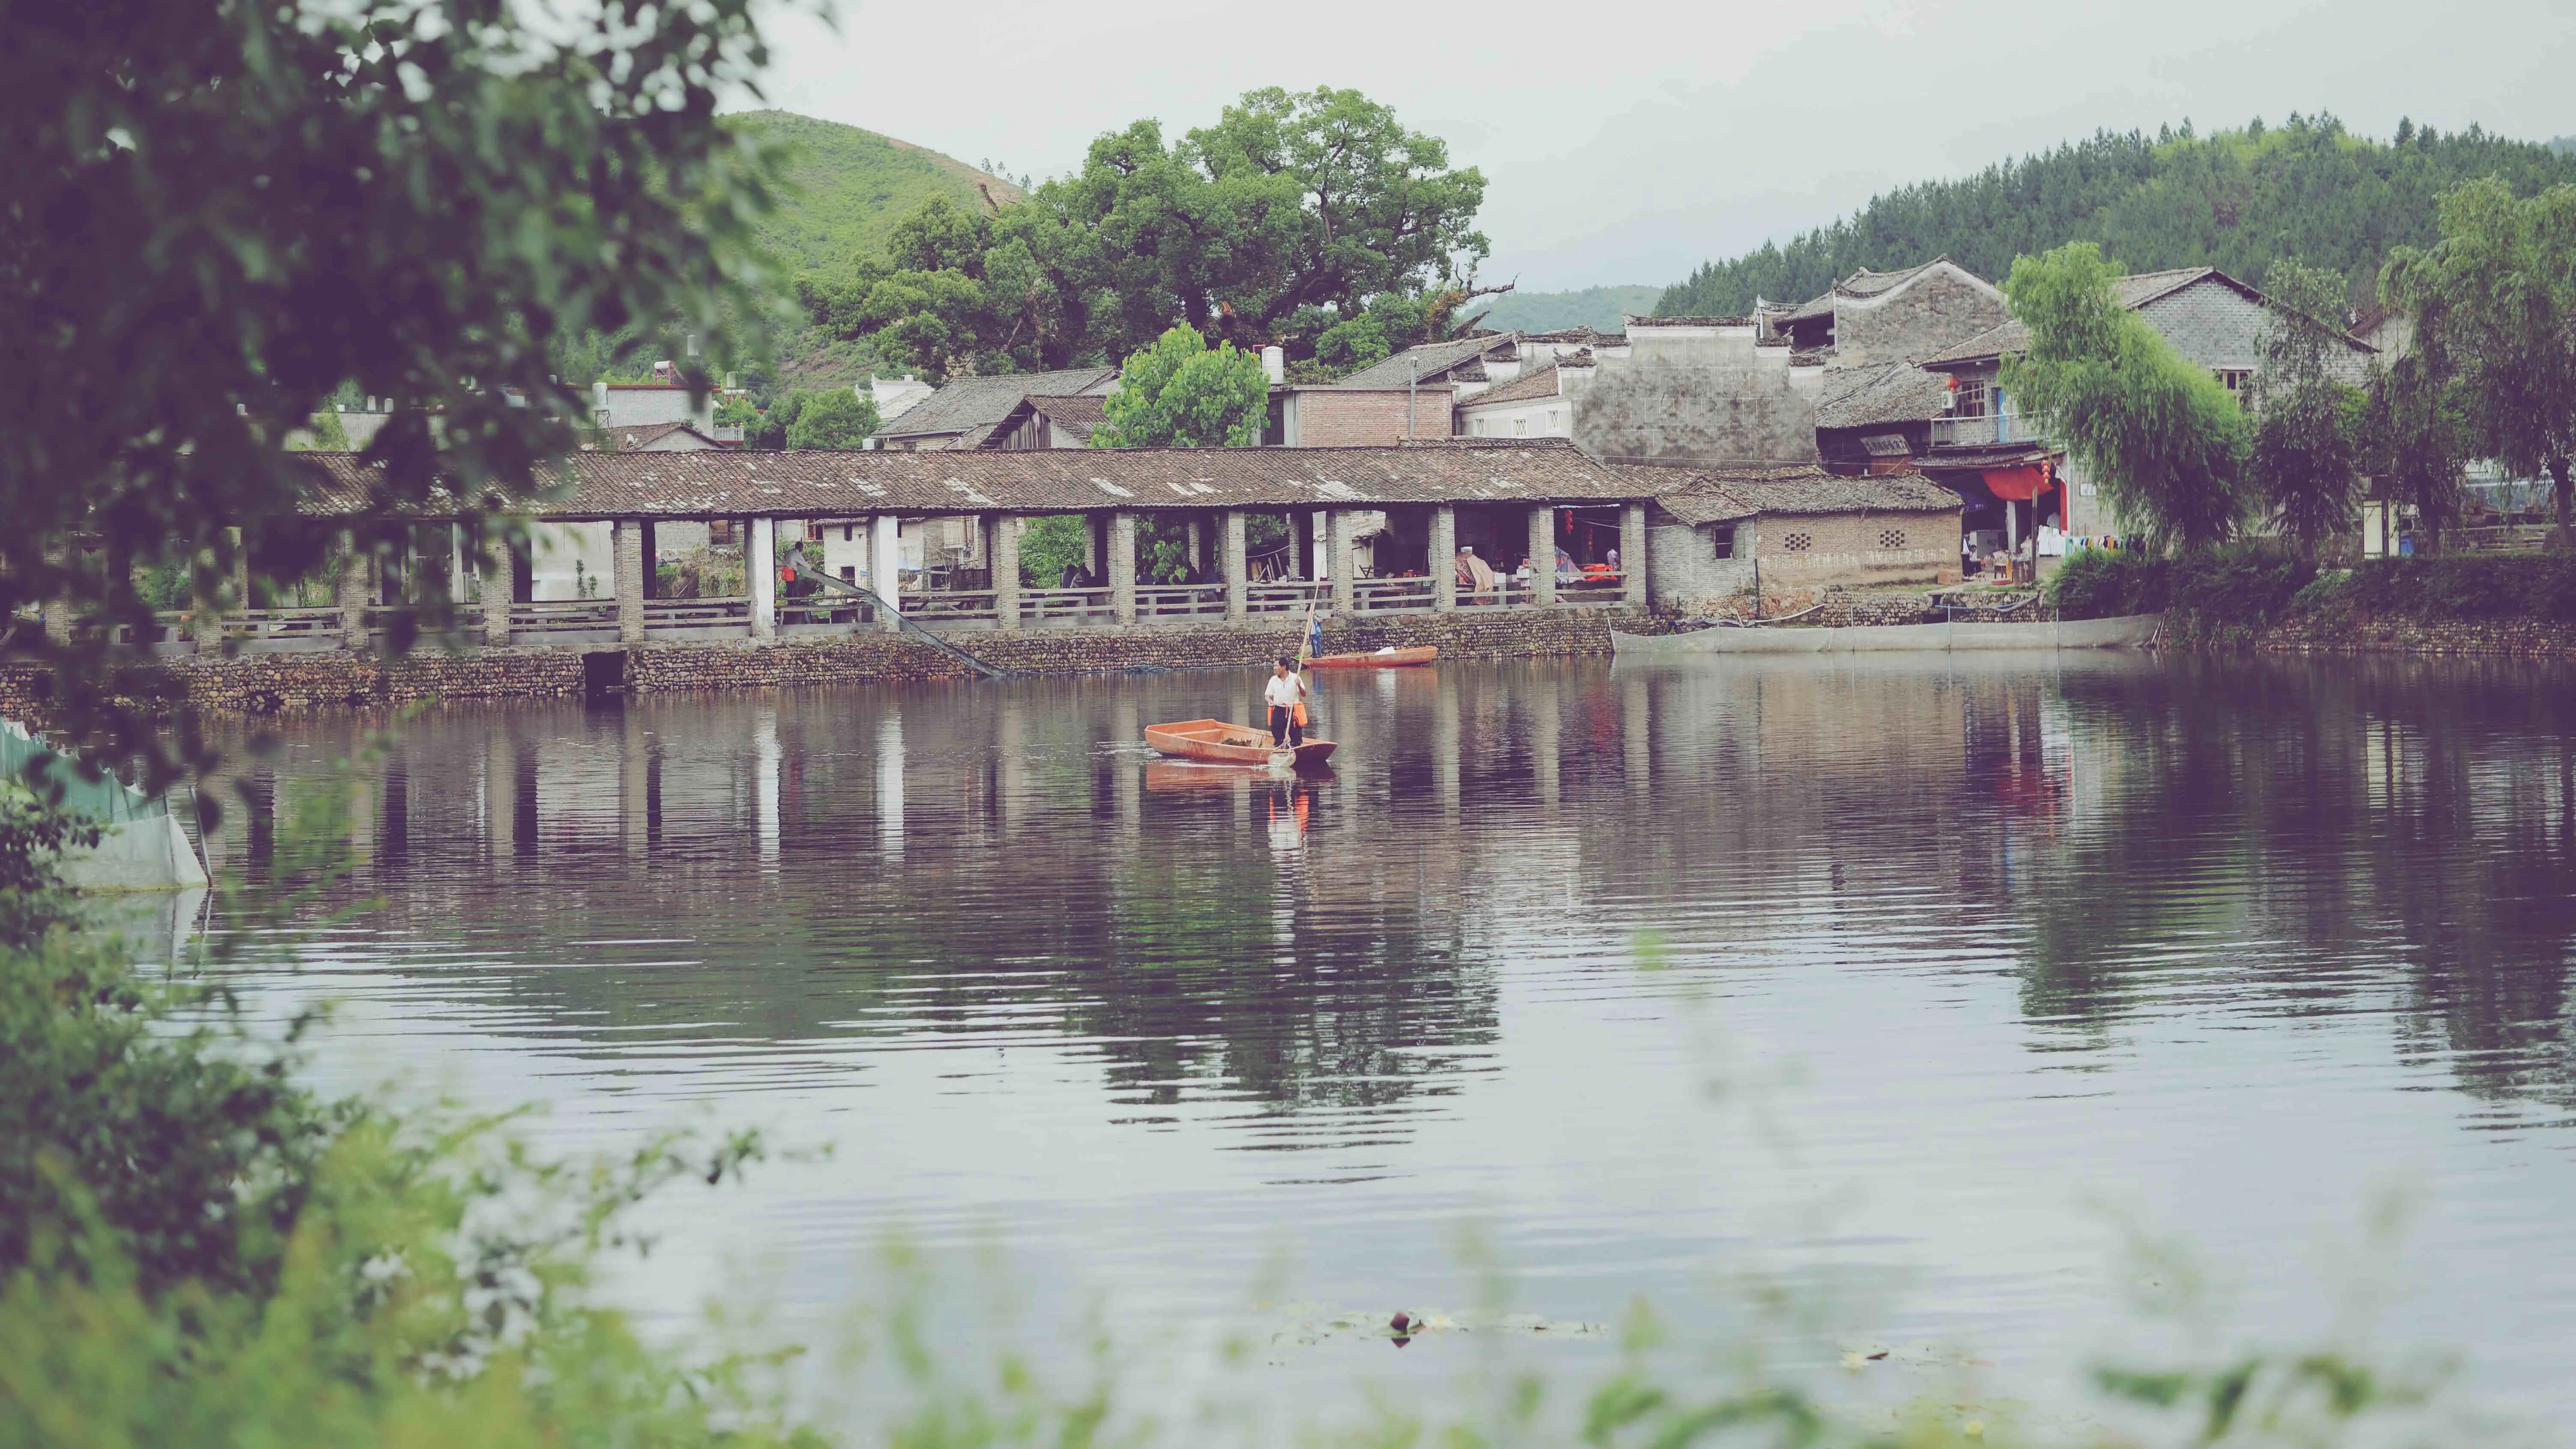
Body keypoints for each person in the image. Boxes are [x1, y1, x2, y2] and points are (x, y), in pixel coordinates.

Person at [1264, 656, 1307, 748]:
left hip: (1293, 710)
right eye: (1274, 666)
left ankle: (1296, 748)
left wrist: (1299, 686)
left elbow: (1304, 694)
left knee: (1296, 734)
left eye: (1277, 666)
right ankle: (1281, 747)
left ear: (1284, 667)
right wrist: (1270, 701)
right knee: (1276, 730)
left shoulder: (1296, 677)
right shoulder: (1273, 680)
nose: (1274, 668)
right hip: (1279, 709)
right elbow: (1268, 696)